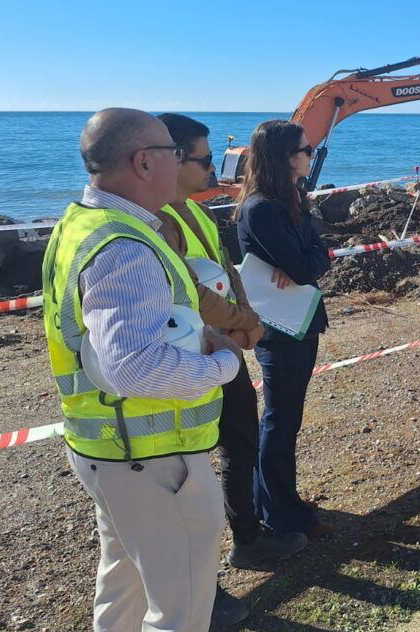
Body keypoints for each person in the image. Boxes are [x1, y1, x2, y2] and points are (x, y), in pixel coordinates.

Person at [41, 108, 244, 630]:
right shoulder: (126, 248)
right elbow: (134, 369)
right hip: (153, 459)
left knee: (122, 588)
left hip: (109, 451)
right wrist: (224, 363)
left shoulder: (82, 224)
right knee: (179, 611)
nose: (181, 163)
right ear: (144, 162)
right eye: (174, 154)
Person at [157, 113, 308, 571]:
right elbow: (186, 286)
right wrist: (244, 321)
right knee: (191, 468)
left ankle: (247, 536)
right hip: (188, 353)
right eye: (205, 159)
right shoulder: (158, 222)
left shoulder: (196, 211)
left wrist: (245, 321)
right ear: (173, 158)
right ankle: (210, 570)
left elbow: (226, 269)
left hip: (222, 346)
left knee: (239, 445)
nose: (212, 169)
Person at [235, 119, 332, 540]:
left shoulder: (288, 199)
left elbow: (315, 257)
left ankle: (272, 500)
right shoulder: (261, 208)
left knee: (285, 417)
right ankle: (279, 510)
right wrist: (308, 259)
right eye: (306, 150)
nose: (311, 157)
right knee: (280, 419)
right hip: (281, 328)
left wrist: (309, 257)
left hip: (298, 320)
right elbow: (308, 264)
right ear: (284, 157)